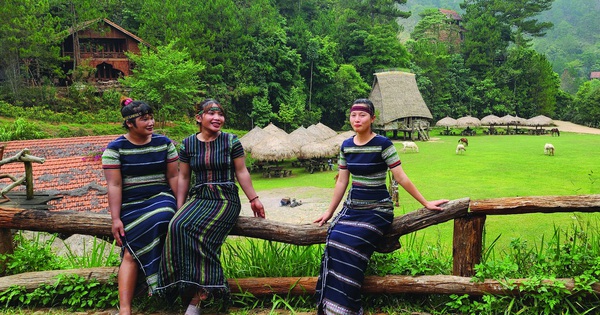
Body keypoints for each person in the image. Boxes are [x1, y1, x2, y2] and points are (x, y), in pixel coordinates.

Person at [313, 98, 448, 315]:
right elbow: (342, 181)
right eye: (353, 115)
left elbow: (401, 178)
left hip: (378, 210)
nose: (357, 119)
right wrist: (329, 212)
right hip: (353, 207)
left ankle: (346, 306)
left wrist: (425, 202)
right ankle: (332, 307)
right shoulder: (346, 146)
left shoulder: (384, 144)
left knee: (352, 243)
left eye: (362, 115)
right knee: (335, 239)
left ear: (372, 119)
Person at [156, 98, 265, 315]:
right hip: (199, 195)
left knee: (203, 235)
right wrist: (180, 206)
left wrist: (254, 199)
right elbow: (184, 177)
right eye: (211, 113)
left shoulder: (231, 141)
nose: (218, 118)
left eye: (221, 114)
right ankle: (183, 287)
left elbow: (241, 171)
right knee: (177, 226)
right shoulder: (188, 144)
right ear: (199, 118)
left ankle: (200, 295)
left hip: (225, 197)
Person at [102, 99, 179, 315]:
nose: (151, 122)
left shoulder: (164, 143)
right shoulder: (115, 149)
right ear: (129, 123)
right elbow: (114, 185)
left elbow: (174, 176)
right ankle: (125, 309)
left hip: (161, 197)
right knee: (130, 252)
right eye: (144, 119)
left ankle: (162, 291)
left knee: (164, 214)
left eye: (151, 117)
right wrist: (116, 219)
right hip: (131, 205)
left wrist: (181, 205)